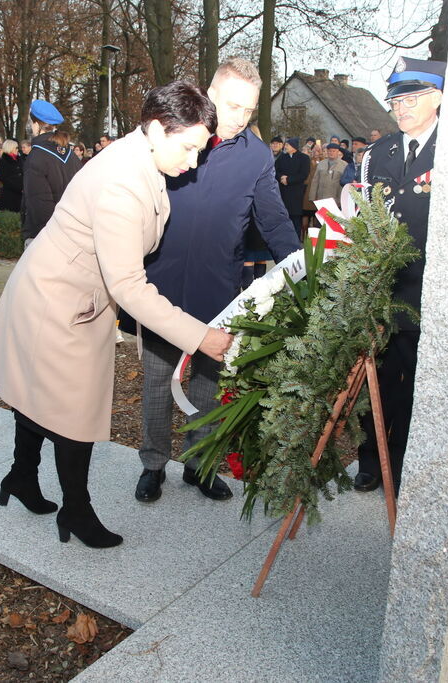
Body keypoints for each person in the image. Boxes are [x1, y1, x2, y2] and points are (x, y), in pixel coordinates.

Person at [0, 81, 232, 548]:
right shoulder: (122, 181)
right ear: (157, 128)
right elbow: (129, 286)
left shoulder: (143, 157)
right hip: (57, 299)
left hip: (70, 290)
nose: (193, 162)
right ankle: (76, 510)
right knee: (74, 412)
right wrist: (201, 337)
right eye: (190, 148)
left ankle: (21, 476)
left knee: (40, 396)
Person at [121, 57, 301, 504]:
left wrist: (301, 269)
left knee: (207, 384)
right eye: (234, 106)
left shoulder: (257, 156)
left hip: (221, 292)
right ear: (211, 95)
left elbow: (274, 221)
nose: (241, 118)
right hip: (162, 289)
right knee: (159, 382)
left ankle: (200, 466)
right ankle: (153, 465)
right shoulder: (178, 140)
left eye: (249, 110)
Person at [354, 57, 446, 496]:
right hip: (385, 293)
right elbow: (362, 220)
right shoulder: (378, 154)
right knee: (377, 380)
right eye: (395, 99)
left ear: (438, 98)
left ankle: (406, 463)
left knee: (418, 386)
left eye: (411, 98)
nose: (400, 107)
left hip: (430, 294)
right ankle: (370, 460)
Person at [21, 99, 82, 246]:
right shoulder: (72, 155)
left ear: (36, 125)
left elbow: (38, 202)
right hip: (72, 231)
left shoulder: (36, 156)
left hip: (46, 236)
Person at [274, 137, 310, 239]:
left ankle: (295, 240)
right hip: (283, 191)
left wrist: (289, 179)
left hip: (296, 192)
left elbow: (304, 174)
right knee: (283, 216)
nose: (285, 147)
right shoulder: (282, 158)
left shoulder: (304, 158)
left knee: (295, 217)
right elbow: (276, 171)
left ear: (294, 146)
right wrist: (281, 178)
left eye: (287, 145)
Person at [307, 142, 348, 212]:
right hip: (321, 198)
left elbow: (345, 184)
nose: (331, 153)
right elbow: (315, 181)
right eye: (329, 151)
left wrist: (342, 200)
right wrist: (312, 196)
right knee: (321, 220)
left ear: (338, 152)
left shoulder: (344, 165)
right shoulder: (321, 164)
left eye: (333, 151)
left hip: (335, 199)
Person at [0, 139, 24, 213]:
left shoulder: (19, 159)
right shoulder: (3, 161)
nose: (18, 149)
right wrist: (18, 188)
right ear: (10, 148)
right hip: (10, 194)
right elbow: (3, 177)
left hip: (21, 194)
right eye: (16, 147)